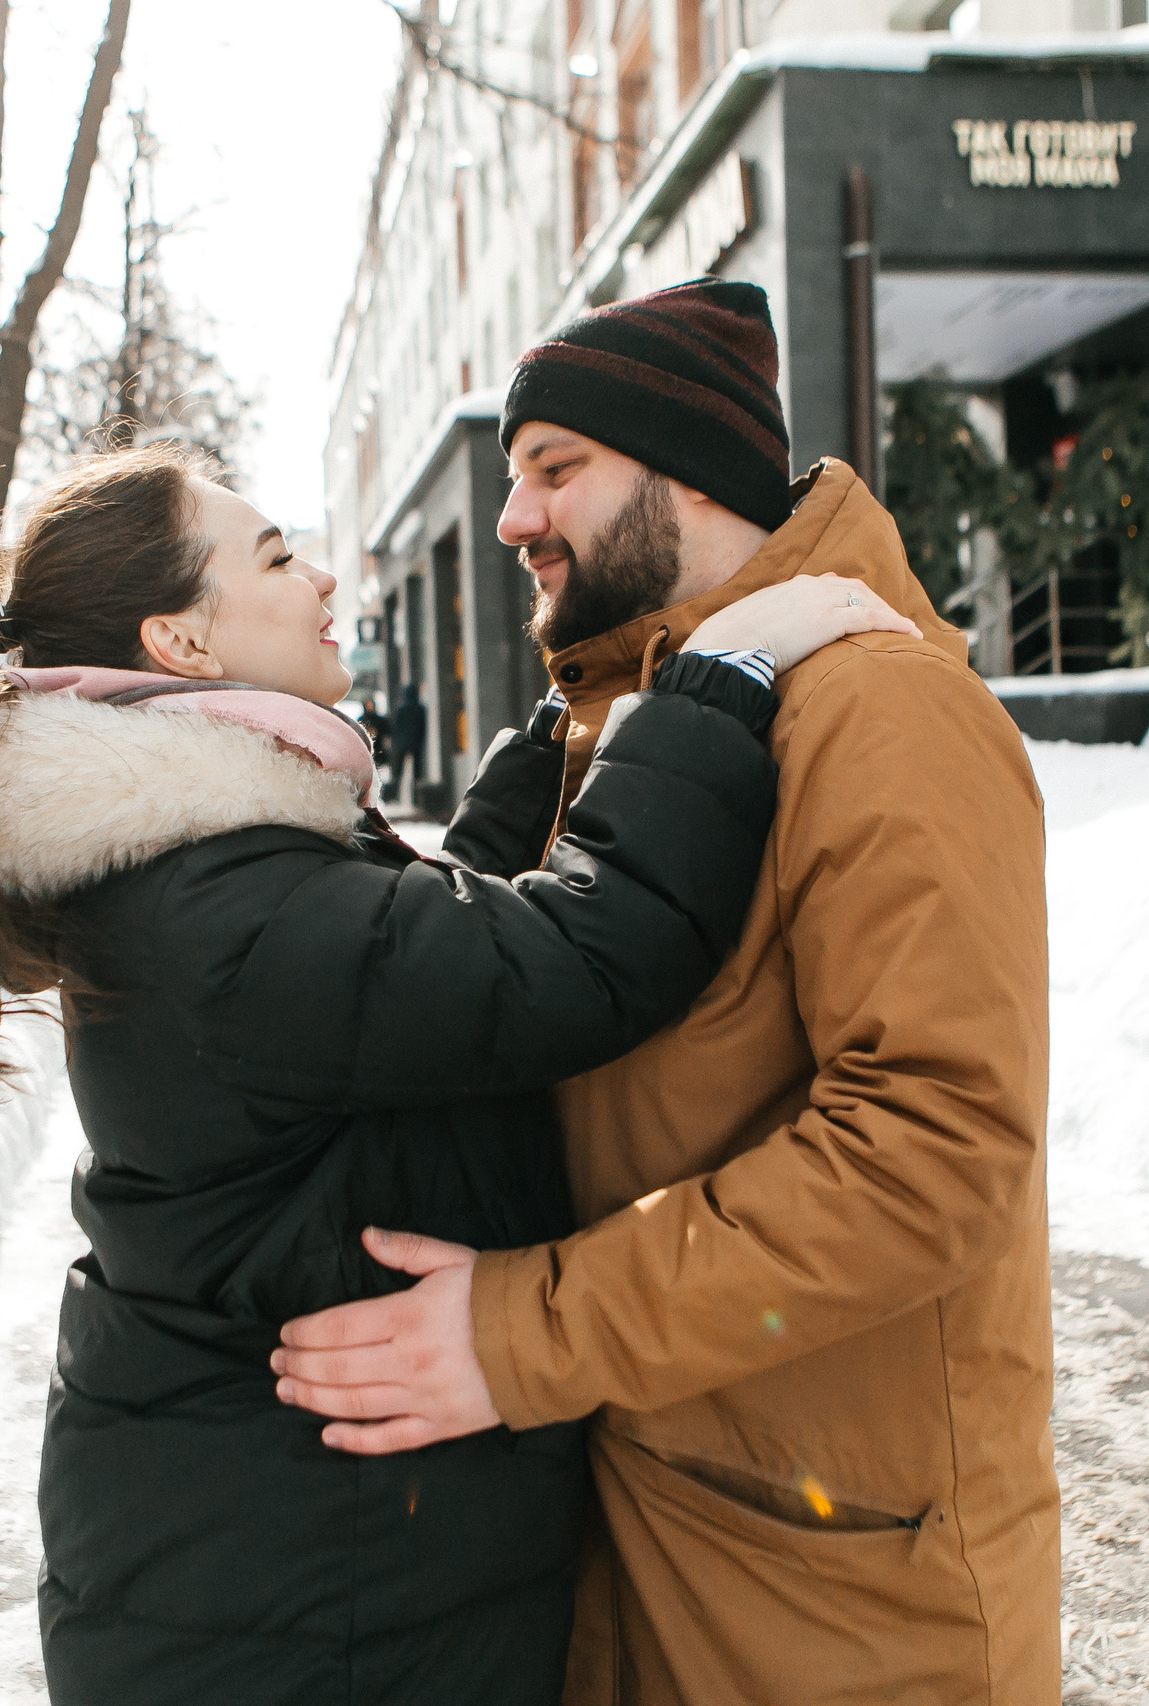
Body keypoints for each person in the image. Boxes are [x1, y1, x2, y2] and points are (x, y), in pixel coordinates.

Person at [0, 441, 911, 1706]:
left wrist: (563, 736)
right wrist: (711, 690)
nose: (325, 578)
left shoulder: (203, 862)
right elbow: (571, 960)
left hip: (298, 1576)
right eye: (279, 557)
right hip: (306, 1614)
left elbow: (420, 939)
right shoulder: (213, 909)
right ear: (180, 643)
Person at [271, 279, 1059, 1705]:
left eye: (555, 471)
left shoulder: (882, 710)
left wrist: (523, 1335)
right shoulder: (631, 721)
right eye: (515, 479)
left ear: (689, 478)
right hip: (659, 1541)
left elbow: (933, 1154)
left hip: (839, 1608)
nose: (514, 520)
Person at [386, 678, 426, 806]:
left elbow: (395, 727)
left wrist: (397, 740)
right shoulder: (420, 709)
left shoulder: (401, 709)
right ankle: (417, 800)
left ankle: (395, 798)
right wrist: (420, 741)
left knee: (398, 773)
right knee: (417, 774)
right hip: (415, 744)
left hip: (402, 743)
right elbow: (422, 728)